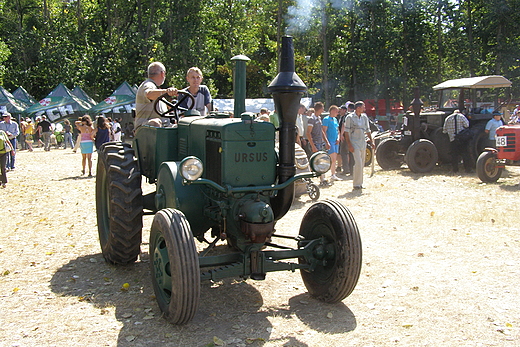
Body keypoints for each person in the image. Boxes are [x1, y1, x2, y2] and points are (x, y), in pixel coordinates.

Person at [135, 62, 178, 128]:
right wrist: (167, 91)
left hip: (165, 126)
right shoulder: (148, 84)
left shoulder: (158, 92)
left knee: (184, 126)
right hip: (144, 129)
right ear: (162, 74)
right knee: (155, 123)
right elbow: (149, 94)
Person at [344, 101, 374, 190]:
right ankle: (356, 184)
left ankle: (360, 183)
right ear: (358, 108)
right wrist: (349, 144)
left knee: (362, 163)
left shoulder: (364, 117)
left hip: (362, 142)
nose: (364, 108)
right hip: (354, 142)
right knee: (358, 162)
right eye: (363, 107)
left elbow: (368, 130)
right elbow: (346, 132)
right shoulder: (349, 117)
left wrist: (371, 141)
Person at [306, 102, 329, 186]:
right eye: (322, 108)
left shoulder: (319, 118)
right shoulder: (311, 119)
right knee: (313, 162)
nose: (323, 110)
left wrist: (326, 141)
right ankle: (307, 179)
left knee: (321, 161)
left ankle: (323, 179)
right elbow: (308, 133)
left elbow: (321, 131)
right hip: (315, 143)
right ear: (319, 109)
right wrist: (313, 146)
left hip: (320, 143)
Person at [322, 105, 342, 181]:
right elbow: (324, 131)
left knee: (335, 158)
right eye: (336, 111)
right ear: (332, 111)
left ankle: (333, 174)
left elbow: (338, 130)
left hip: (336, 141)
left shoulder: (335, 120)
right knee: (332, 159)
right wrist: (327, 142)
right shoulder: (326, 119)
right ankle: (332, 174)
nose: (337, 113)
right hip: (330, 141)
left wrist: (338, 138)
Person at [339, 102, 355, 175]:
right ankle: (352, 170)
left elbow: (343, 126)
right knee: (350, 153)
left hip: (346, 137)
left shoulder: (346, 116)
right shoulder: (352, 116)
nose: (339, 111)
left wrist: (342, 135)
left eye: (341, 109)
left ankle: (346, 169)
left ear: (344, 110)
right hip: (351, 136)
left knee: (344, 153)